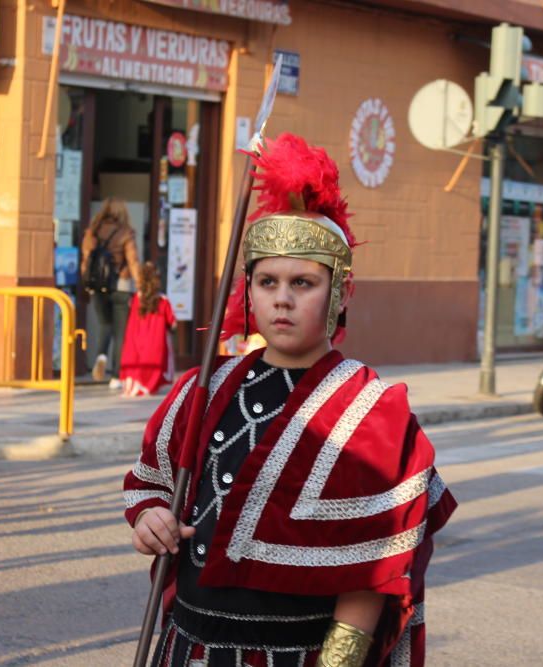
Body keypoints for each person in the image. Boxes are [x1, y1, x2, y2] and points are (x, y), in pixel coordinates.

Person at [123, 134, 457, 666]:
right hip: (186, 647)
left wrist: (338, 663)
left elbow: (377, 568)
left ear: (341, 292)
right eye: (267, 281)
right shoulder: (201, 387)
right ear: (248, 291)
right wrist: (151, 520)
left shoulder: (372, 413)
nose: (282, 298)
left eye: (303, 282)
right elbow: (150, 484)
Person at [80, 197, 142, 390]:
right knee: (121, 332)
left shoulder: (93, 233)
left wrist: (87, 283)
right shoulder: (126, 233)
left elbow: (86, 260)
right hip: (121, 286)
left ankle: (100, 355)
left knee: (104, 324)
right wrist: (140, 285)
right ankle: (116, 376)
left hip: (98, 285)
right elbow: (132, 261)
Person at [118, 261, 176, 398]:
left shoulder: (134, 299)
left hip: (135, 340)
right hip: (155, 343)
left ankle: (134, 385)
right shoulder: (163, 300)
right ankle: (148, 385)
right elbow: (173, 323)